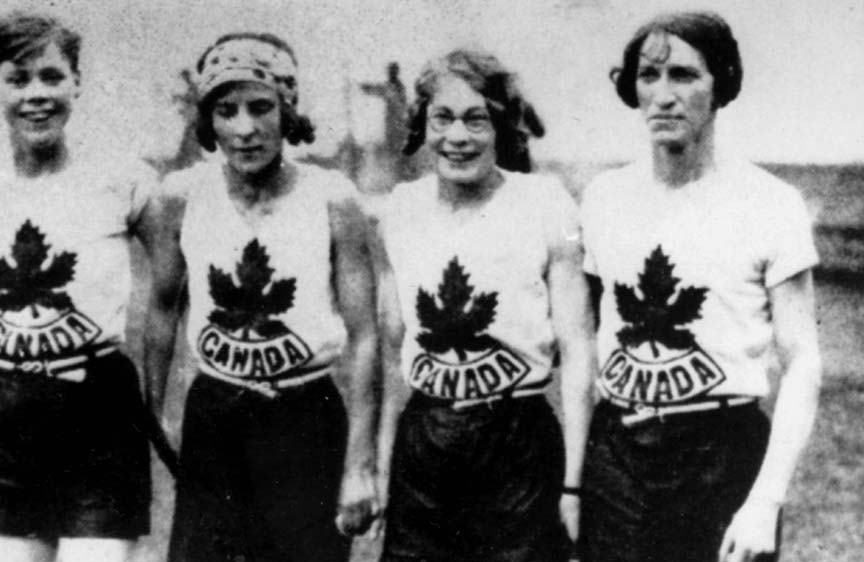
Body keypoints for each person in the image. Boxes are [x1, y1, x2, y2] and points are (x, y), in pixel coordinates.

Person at [0, 12, 179, 562]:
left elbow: (171, 291)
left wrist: (155, 403)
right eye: (18, 79)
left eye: (52, 77)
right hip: (3, 414)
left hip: (99, 411)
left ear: (77, 83)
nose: (36, 95)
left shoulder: (124, 178)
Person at [578, 11, 822, 562]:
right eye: (648, 76)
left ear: (721, 88)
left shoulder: (770, 202)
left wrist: (765, 501)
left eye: (684, 76)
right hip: (619, 455)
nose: (663, 96)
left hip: (721, 456)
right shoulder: (603, 198)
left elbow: (803, 359)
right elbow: (592, 332)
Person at [145, 32, 380, 562]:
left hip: (304, 416)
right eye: (226, 111)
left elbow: (366, 336)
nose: (245, 128)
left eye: (261, 107)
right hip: (216, 417)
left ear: (287, 111)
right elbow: (161, 309)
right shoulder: (183, 196)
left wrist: (360, 463)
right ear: (208, 122)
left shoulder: (332, 198)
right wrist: (159, 415)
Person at [372, 48, 596, 561]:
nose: (457, 137)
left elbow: (579, 348)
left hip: (517, 443)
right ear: (421, 125)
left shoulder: (545, 203)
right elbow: (390, 354)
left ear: (500, 126)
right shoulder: (401, 209)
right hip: (426, 441)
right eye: (442, 119)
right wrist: (384, 467)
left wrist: (574, 485)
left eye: (477, 120)